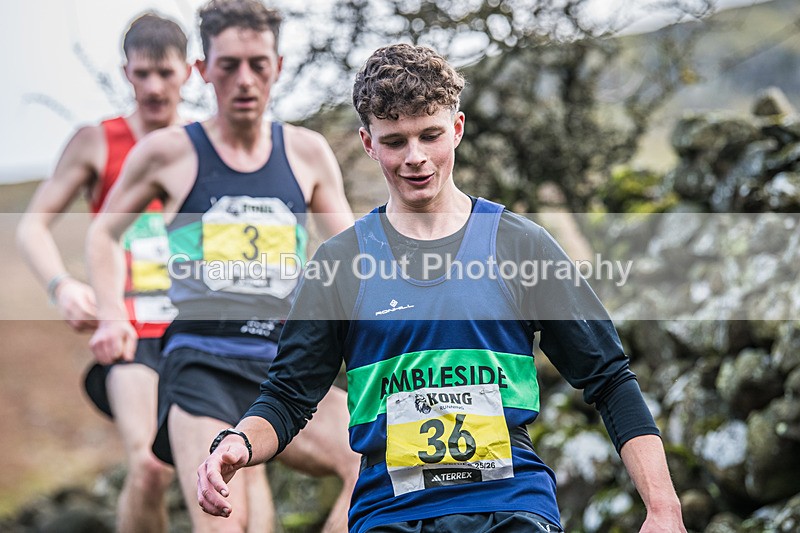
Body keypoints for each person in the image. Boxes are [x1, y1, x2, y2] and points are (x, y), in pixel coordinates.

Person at [196, 43, 687, 532]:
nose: (415, 158)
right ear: (368, 142)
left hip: (512, 506)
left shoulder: (519, 245)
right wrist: (237, 443)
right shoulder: (340, 264)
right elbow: (287, 396)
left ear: (456, 129)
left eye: (430, 135)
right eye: (394, 142)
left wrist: (664, 510)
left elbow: (609, 377)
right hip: (390, 513)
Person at [86, 1, 359, 531]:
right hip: (201, 367)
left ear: (277, 67)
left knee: (379, 460)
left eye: (258, 64)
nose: (244, 79)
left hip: (285, 368)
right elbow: (102, 233)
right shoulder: (170, 152)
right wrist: (111, 314)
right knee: (223, 518)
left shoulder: (307, 152)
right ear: (204, 70)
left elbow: (352, 260)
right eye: (228, 65)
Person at [16, 13, 191, 533]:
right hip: (130, 332)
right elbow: (31, 227)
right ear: (125, 72)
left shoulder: (205, 143)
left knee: (231, 464)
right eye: (142, 74)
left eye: (165, 73)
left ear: (189, 71)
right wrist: (62, 285)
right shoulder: (97, 142)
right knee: (151, 466)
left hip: (199, 329)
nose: (154, 87)